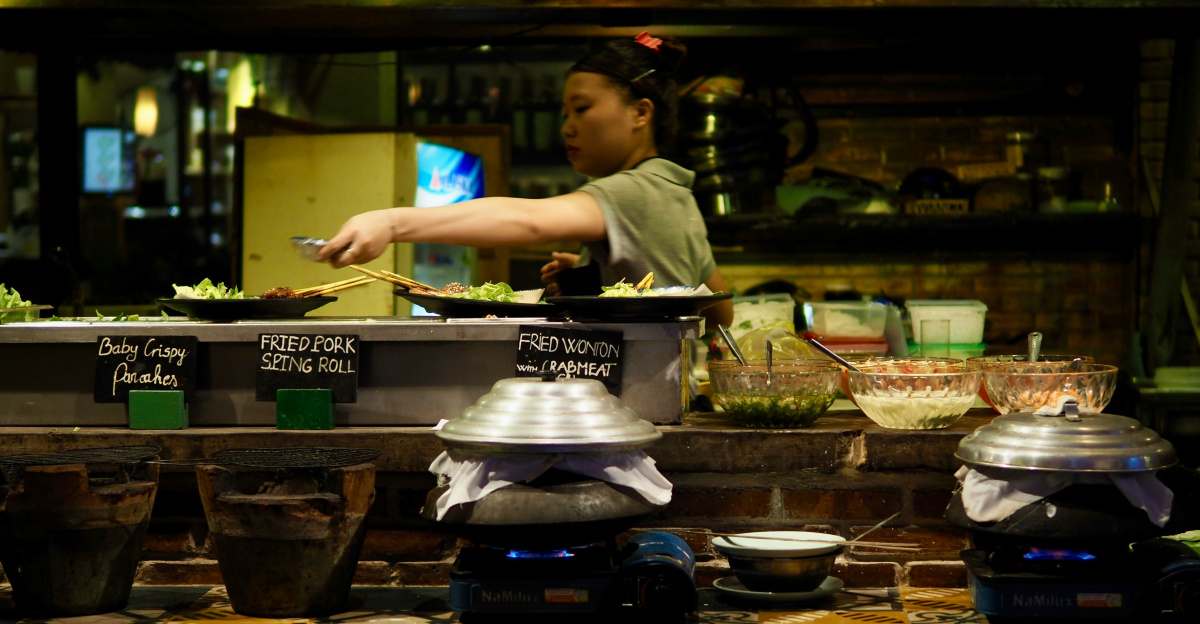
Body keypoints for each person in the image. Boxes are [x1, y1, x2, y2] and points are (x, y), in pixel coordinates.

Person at [318, 31, 734, 328]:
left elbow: (528, 220)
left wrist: (392, 224)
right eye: (564, 114)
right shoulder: (676, 193)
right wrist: (597, 274)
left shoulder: (634, 191)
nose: (567, 127)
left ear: (641, 113)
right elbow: (720, 310)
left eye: (582, 108)